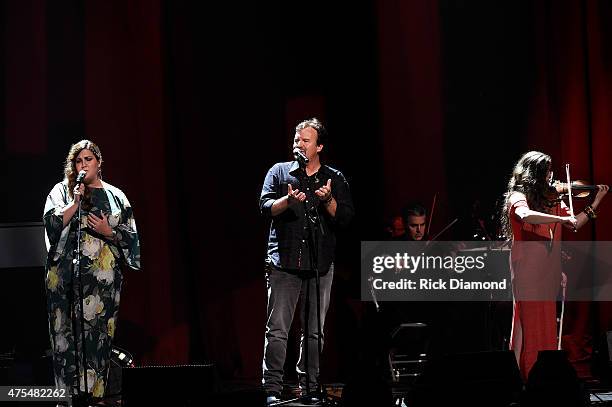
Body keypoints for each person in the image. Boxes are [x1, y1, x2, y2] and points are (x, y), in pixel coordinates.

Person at [260, 118, 354, 405]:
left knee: (314, 331)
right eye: (296, 139)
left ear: (319, 146)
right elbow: (265, 207)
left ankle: (310, 386)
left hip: (319, 264)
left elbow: (346, 217)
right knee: (277, 330)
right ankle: (272, 389)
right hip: (283, 262)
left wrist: (328, 201)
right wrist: (286, 202)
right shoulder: (279, 172)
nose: (298, 144)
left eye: (305, 140)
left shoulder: (333, 178)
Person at [43, 140, 140, 402]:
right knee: (66, 337)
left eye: (88, 159)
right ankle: (66, 397)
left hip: (102, 283)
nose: (83, 165)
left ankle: (95, 396)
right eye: (78, 161)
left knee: (96, 338)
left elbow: (132, 238)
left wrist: (109, 232)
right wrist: (74, 202)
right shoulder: (61, 192)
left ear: (98, 162)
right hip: (64, 279)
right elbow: (51, 224)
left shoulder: (115, 195)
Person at [501, 151, 608, 380]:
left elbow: (575, 224)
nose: (552, 177)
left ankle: (534, 378)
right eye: (547, 171)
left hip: (547, 270)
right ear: (535, 173)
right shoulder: (518, 195)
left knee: (535, 324)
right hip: (527, 269)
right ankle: (527, 379)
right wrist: (560, 219)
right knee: (528, 324)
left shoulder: (552, 200)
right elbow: (525, 215)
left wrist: (597, 200)